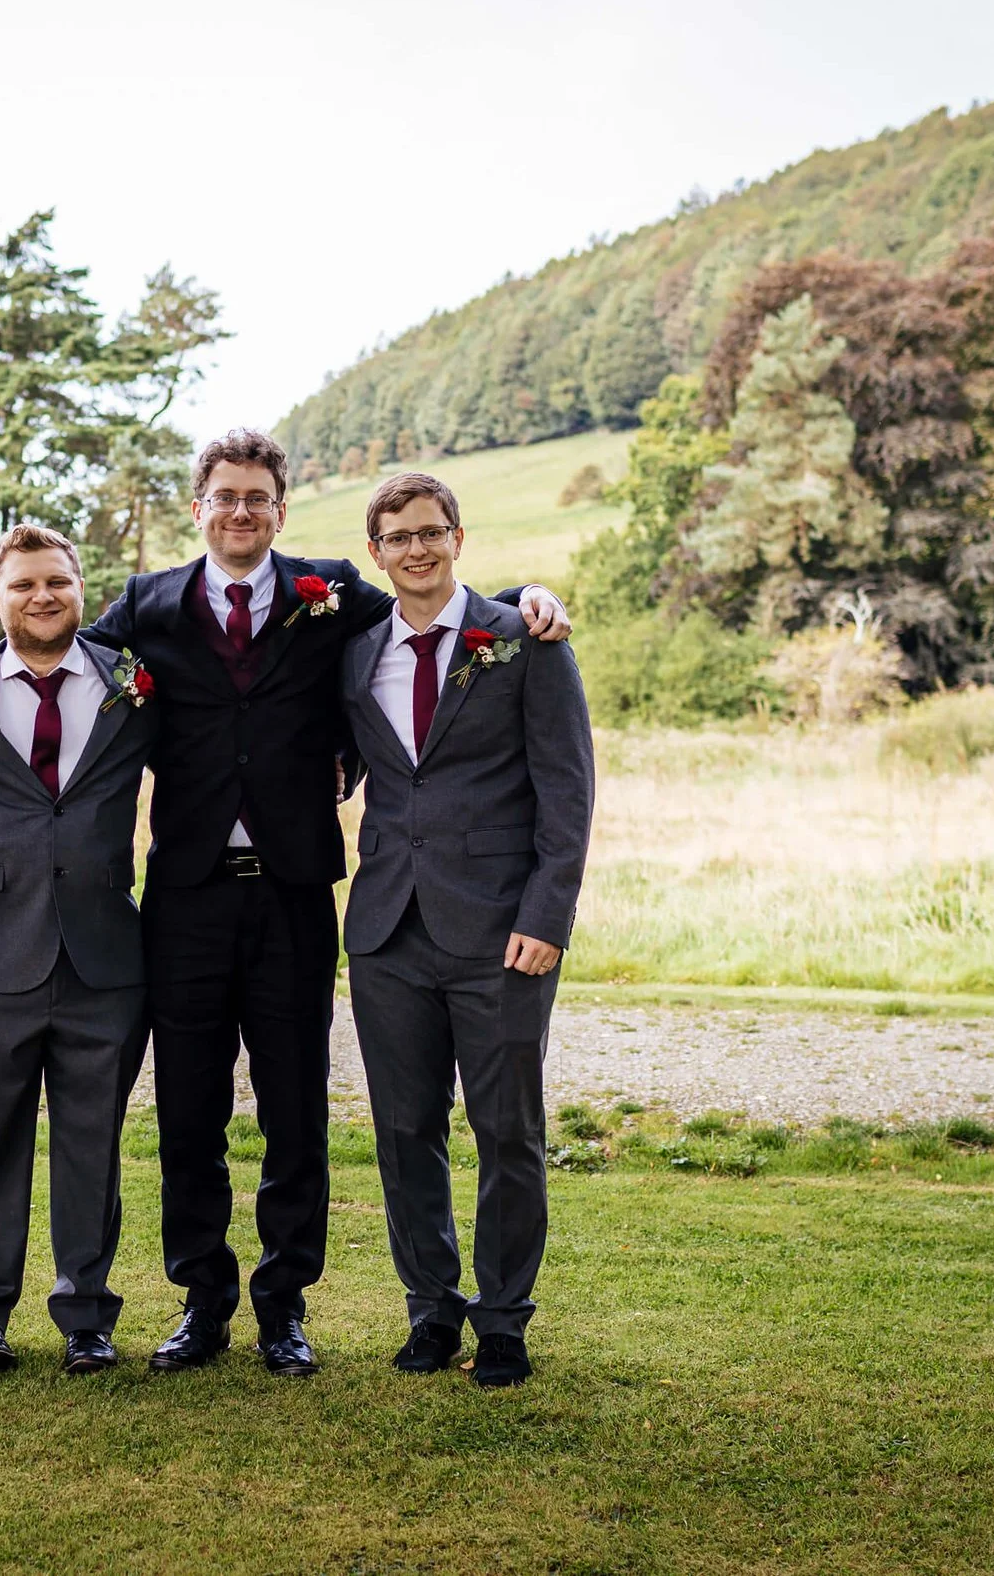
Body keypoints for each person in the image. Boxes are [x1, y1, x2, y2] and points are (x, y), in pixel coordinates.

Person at [0, 427, 571, 1378]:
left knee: (297, 1112)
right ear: (199, 508)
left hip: (294, 894)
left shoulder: (328, 592)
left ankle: (284, 1304)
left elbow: (440, 606)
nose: (241, 511)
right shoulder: (149, 604)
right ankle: (202, 1300)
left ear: (281, 510)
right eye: (225, 496)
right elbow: (49, 646)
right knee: (189, 1112)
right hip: (186, 898)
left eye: (258, 497)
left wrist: (532, 593)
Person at [338, 472, 593, 1389]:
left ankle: (505, 1319)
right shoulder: (355, 651)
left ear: (457, 536)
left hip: (502, 933)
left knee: (507, 1130)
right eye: (398, 536)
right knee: (405, 1130)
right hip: (386, 930)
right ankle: (431, 1309)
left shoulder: (523, 639)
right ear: (376, 552)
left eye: (431, 531)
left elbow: (568, 789)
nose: (417, 548)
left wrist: (547, 915)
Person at [0, 523, 160, 1377]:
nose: (41, 595)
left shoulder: (133, 682)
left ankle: (86, 1315)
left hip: (106, 956)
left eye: (56, 580)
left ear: (81, 588)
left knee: (93, 1148)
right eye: (23, 584)